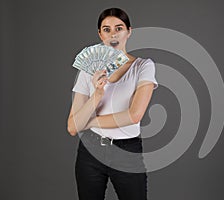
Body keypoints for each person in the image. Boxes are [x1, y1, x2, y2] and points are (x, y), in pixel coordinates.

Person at [67, 7, 157, 200]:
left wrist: (89, 122)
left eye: (119, 28)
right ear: (100, 33)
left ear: (129, 32)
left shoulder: (143, 66)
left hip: (126, 152)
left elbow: (134, 115)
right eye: (106, 29)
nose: (113, 33)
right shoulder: (87, 70)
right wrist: (97, 94)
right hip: (90, 152)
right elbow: (73, 127)